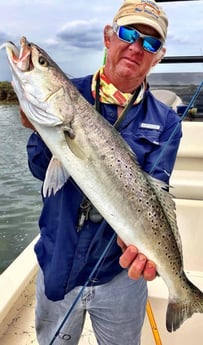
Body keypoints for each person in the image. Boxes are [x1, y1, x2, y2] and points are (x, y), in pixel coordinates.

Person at [20, 0, 182, 344]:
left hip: (120, 273)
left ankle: (183, 293)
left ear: (158, 57)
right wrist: (39, 129)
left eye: (150, 43)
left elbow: (156, 192)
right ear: (109, 37)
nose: (137, 47)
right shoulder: (70, 94)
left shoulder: (167, 122)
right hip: (58, 262)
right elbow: (40, 170)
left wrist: (145, 245)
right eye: (128, 34)